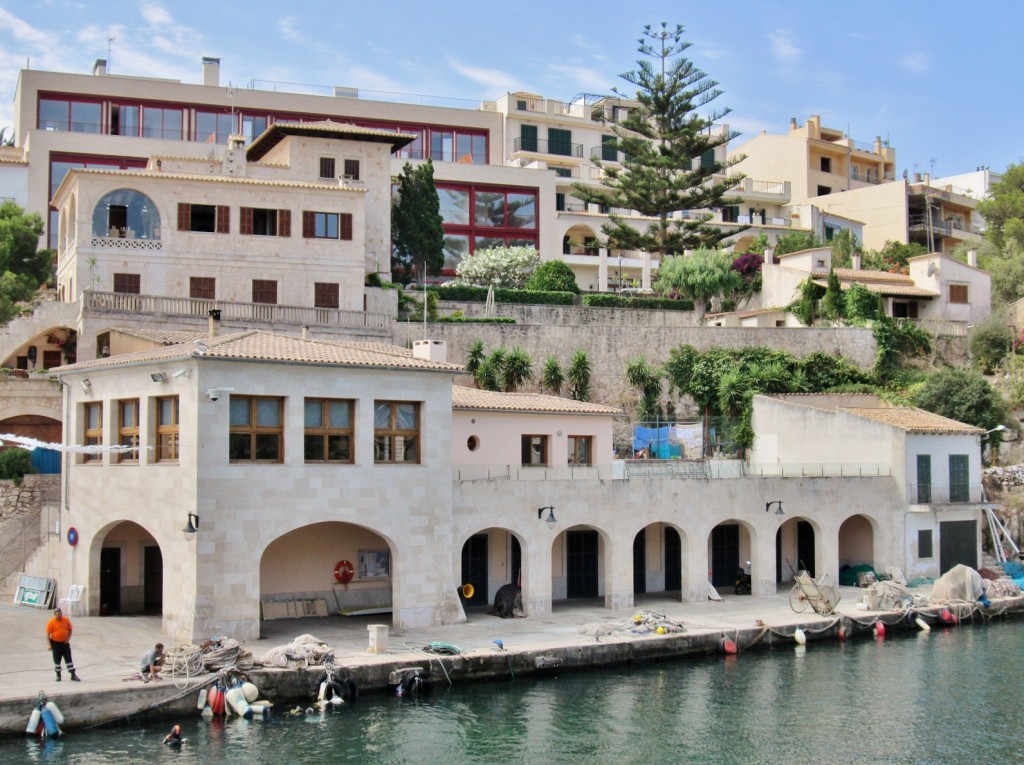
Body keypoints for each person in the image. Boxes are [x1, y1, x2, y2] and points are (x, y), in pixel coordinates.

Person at [45, 607, 80, 682]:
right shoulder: (51, 622)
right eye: (58, 614)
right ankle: (58, 675)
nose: (59, 615)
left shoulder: (66, 620)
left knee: (69, 659)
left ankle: (73, 675)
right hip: (55, 644)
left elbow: (70, 630)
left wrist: (67, 639)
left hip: (64, 643)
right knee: (57, 660)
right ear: (54, 615)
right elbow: (48, 634)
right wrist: (49, 645)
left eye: (60, 614)